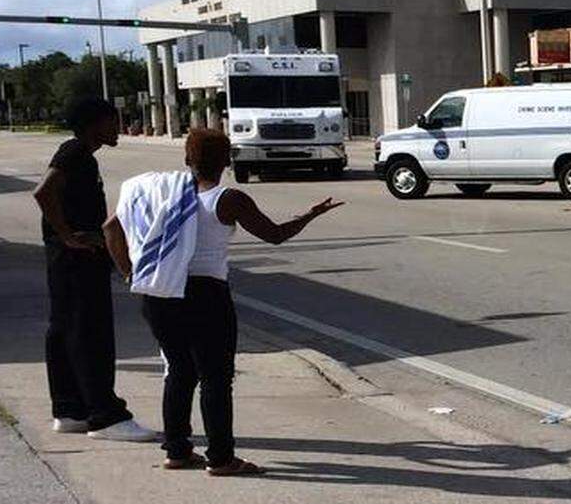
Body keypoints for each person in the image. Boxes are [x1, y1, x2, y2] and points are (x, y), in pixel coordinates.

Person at [103, 129, 343, 475]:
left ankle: (177, 451)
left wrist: (130, 273)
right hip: (205, 296)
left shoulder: (160, 193)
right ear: (227, 162)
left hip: (158, 292)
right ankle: (220, 458)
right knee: (215, 378)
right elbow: (275, 235)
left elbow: (111, 228)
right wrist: (310, 214)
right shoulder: (227, 199)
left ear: (187, 160)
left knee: (179, 372)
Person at [32, 97, 158, 441]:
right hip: (78, 258)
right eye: (111, 121)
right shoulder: (75, 153)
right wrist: (67, 236)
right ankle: (106, 416)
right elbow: (43, 193)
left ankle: (70, 409)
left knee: (65, 330)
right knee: (91, 333)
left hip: (67, 260)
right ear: (93, 124)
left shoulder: (78, 154)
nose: (117, 127)